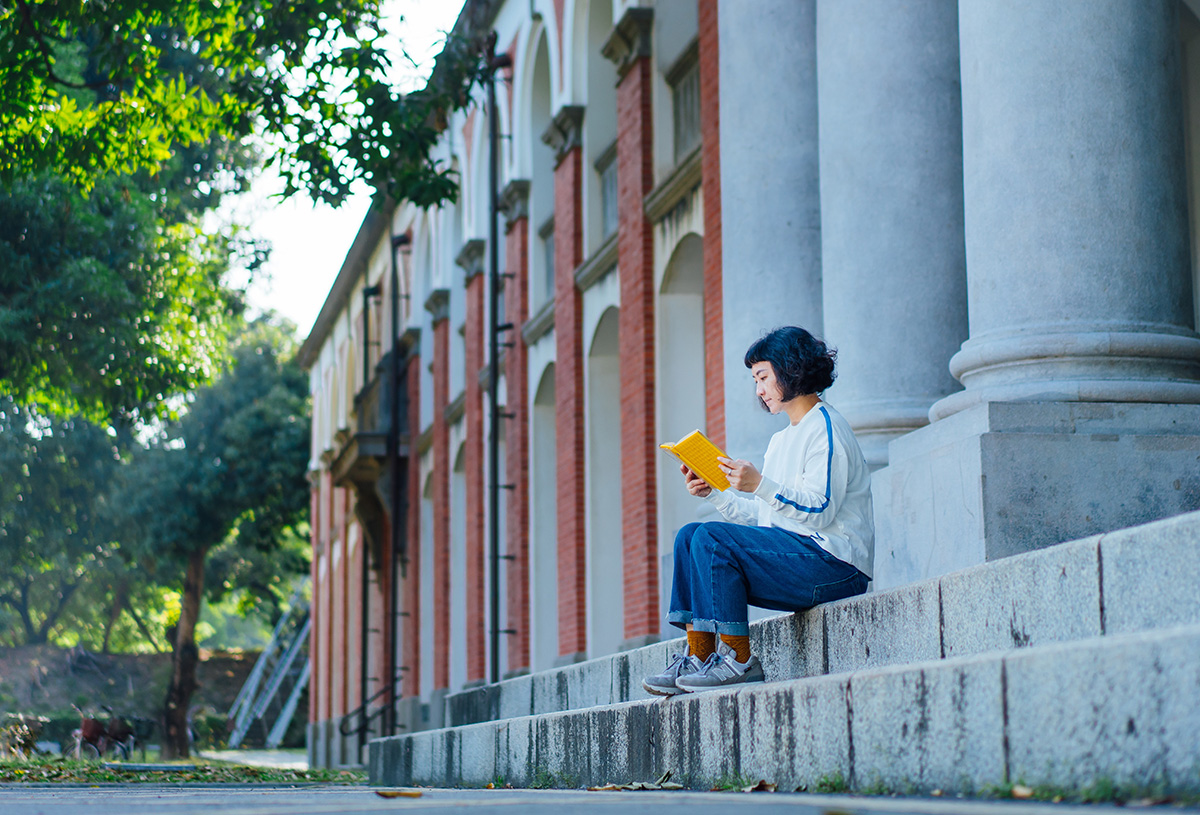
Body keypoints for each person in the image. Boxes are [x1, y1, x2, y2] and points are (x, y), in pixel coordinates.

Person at [643, 326, 874, 695]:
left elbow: (820, 511)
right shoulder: (781, 439)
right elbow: (766, 520)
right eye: (755, 380)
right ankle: (700, 656)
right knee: (691, 536)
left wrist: (760, 484)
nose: (759, 391)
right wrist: (715, 494)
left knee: (712, 538)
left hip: (836, 566)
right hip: (798, 555)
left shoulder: (826, 427)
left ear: (790, 369)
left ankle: (738, 659)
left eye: (762, 377)